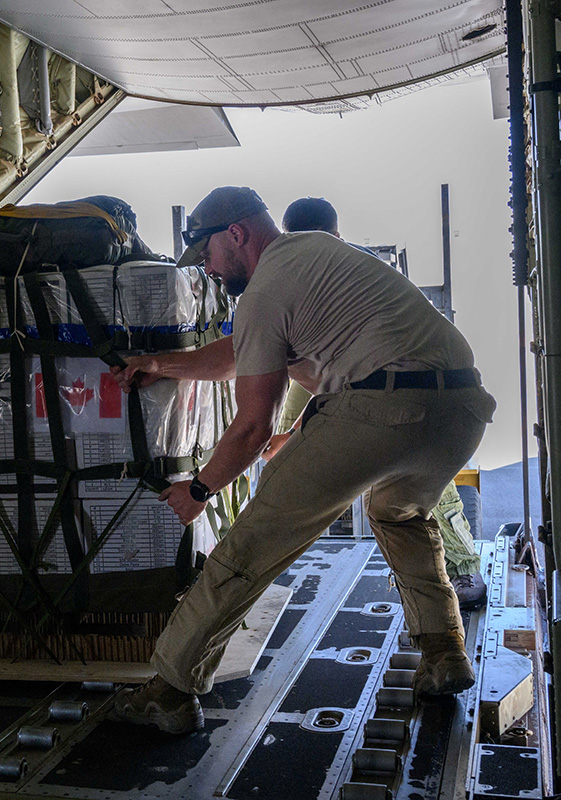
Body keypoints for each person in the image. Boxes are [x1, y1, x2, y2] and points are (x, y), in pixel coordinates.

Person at [109, 187, 496, 734]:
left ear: (236, 234)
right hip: (460, 411)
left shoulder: (265, 289)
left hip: (382, 407)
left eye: (209, 254)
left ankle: (171, 688)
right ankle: (444, 651)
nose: (209, 269)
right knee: (399, 514)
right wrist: (161, 364)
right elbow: (241, 354)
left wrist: (199, 490)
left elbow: (253, 428)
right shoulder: (317, 257)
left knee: (253, 543)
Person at [279, 196, 487, 609]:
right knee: (284, 450)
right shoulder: (295, 276)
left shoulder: (360, 270)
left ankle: (461, 566)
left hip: (386, 376)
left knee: (415, 469)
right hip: (323, 368)